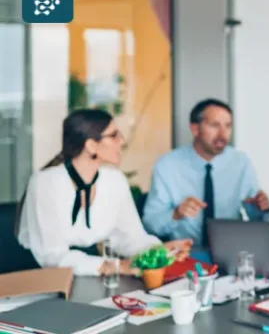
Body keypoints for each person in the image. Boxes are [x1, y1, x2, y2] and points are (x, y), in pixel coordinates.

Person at [15, 109, 191, 276]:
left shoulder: (114, 180)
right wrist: (114, 266)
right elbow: (52, 256)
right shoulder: (45, 183)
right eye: (113, 136)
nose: (121, 141)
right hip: (46, 279)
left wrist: (160, 251)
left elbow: (130, 238)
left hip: (96, 275)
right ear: (91, 145)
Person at [142, 99, 269, 262]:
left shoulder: (241, 162)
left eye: (227, 126)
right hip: (185, 255)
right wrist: (176, 214)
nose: (222, 134)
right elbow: (150, 223)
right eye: (214, 125)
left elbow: (258, 220)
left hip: (231, 255)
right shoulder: (167, 165)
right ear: (195, 129)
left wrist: (261, 208)